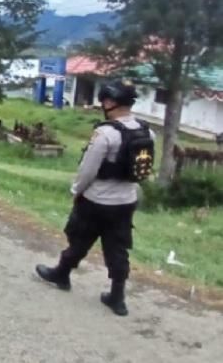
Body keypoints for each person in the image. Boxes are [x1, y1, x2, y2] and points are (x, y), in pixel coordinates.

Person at [35, 79, 155, 317]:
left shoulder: (105, 134)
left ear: (110, 102)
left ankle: (62, 274)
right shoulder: (147, 131)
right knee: (118, 248)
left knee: (79, 239)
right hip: (126, 200)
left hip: (97, 200)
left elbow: (87, 170)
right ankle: (117, 297)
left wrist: (76, 191)